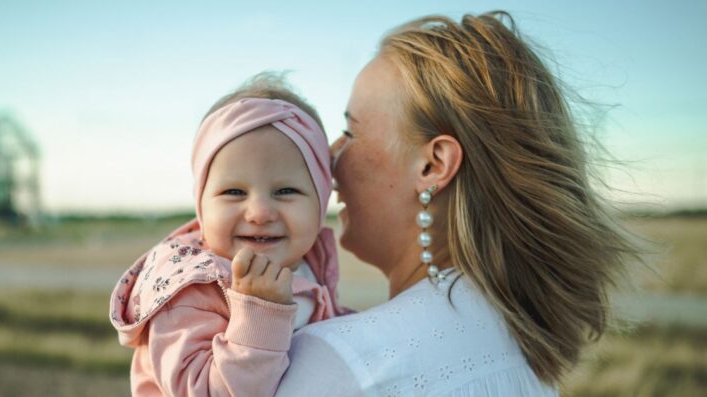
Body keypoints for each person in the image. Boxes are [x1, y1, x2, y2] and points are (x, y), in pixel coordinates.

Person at [276, 11, 639, 396]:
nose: (330, 156)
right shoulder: (517, 344)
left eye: (351, 131)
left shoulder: (343, 364)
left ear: (433, 165)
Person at [109, 74, 348, 396]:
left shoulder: (310, 265)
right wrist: (260, 311)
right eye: (234, 191)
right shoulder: (190, 288)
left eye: (286, 190)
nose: (260, 212)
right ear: (201, 205)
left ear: (320, 202)